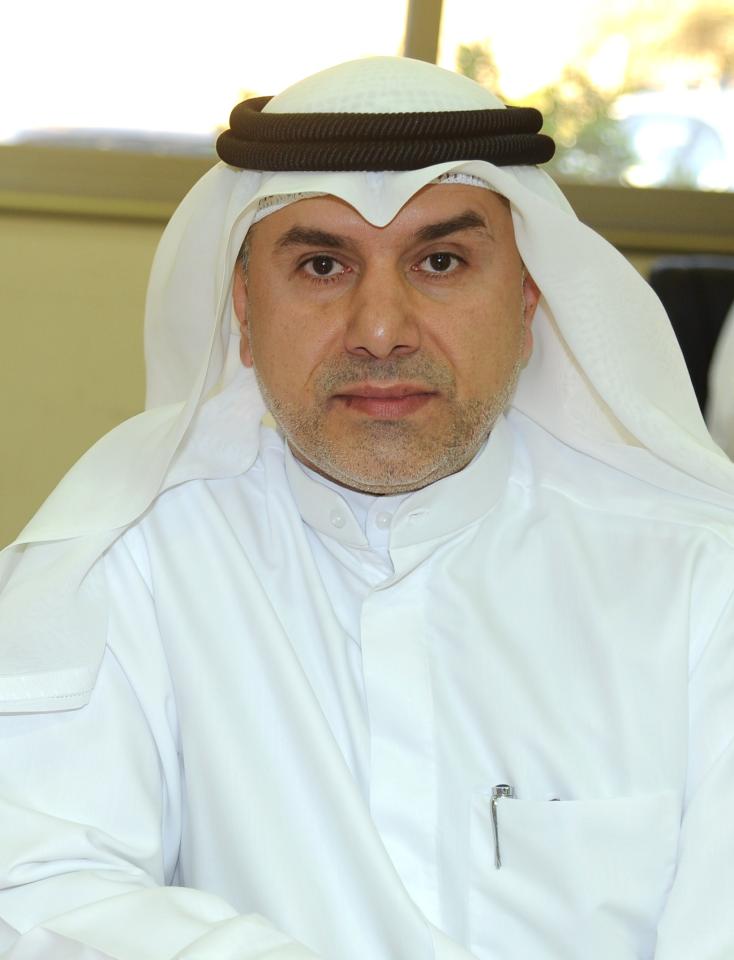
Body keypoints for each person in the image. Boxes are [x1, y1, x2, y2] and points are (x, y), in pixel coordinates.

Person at [0, 55, 732, 960]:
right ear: (243, 307)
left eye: (440, 261)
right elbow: (40, 885)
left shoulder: (702, 582)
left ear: (529, 299)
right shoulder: (129, 563)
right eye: (321, 265)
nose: (380, 330)